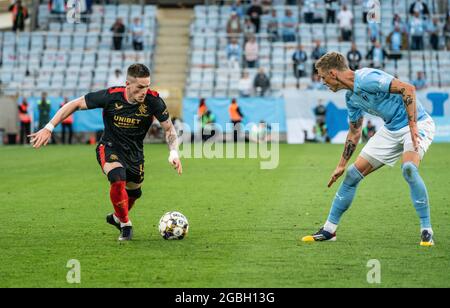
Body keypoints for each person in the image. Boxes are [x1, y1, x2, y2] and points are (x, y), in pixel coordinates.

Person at [29, 64, 182, 242]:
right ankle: (125, 224)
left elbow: (169, 129)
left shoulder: (153, 100)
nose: (144, 91)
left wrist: (174, 153)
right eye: (140, 87)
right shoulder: (111, 96)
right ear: (128, 84)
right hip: (110, 146)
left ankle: (117, 217)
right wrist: (49, 127)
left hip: (134, 152)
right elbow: (75, 103)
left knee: (134, 193)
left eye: (147, 86)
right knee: (118, 177)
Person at [301, 52, 436, 247]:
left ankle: (426, 230)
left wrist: (413, 126)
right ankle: (329, 230)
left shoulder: (367, 78)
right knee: (351, 175)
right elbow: (355, 132)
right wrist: (341, 165)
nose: (323, 82)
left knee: (408, 169)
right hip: (391, 129)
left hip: (418, 124)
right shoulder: (351, 98)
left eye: (323, 77)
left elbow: (408, 89)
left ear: (332, 73)